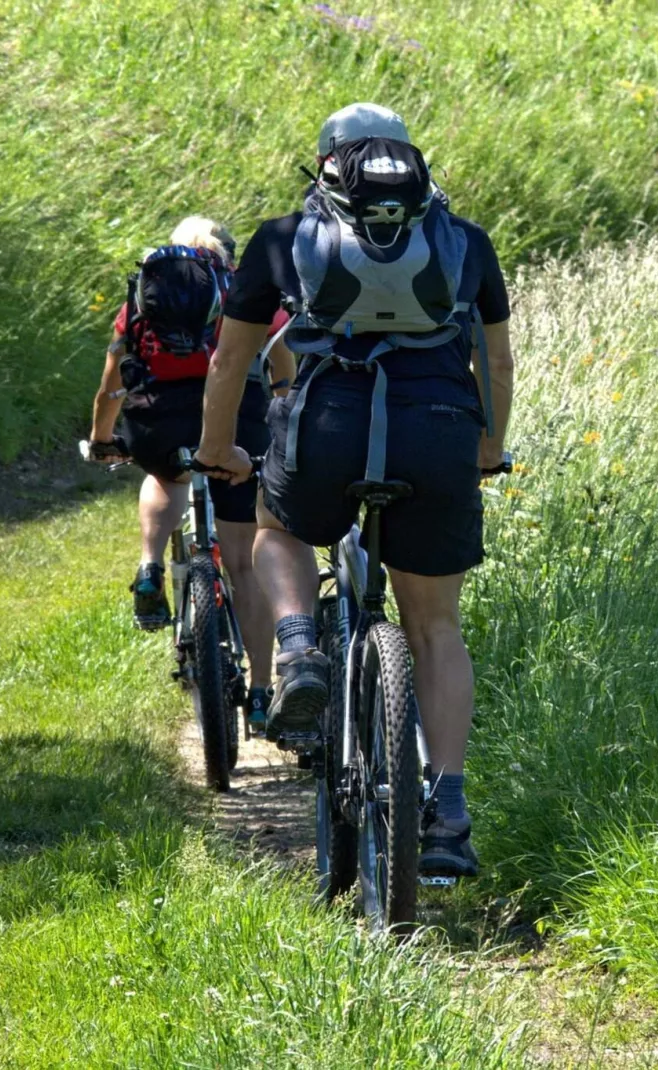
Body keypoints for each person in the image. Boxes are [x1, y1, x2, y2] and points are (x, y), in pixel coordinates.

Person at [194, 105, 514, 877]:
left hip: (328, 422)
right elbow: (496, 365)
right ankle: (448, 810)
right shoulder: (465, 241)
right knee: (435, 627)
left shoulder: (281, 238)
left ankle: (299, 647)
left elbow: (230, 363)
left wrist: (216, 450)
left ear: (327, 165)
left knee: (275, 524)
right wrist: (488, 449)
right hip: (438, 430)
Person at [86, 216, 293, 731]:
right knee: (244, 567)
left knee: (163, 475)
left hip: (157, 422)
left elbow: (112, 378)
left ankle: (150, 565)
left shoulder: (144, 296)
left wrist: (102, 439)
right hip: (238, 424)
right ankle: (263, 692)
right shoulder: (244, 290)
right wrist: (285, 406)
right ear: (228, 252)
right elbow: (281, 359)